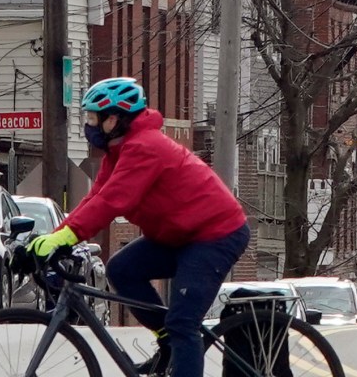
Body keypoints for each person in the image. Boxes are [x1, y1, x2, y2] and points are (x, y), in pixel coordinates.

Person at [29, 77, 248, 377]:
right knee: (121, 269)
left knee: (183, 323)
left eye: (93, 117)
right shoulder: (119, 151)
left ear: (114, 119)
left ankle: (176, 341)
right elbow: (97, 196)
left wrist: (67, 236)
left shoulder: (146, 147)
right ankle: (167, 342)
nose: (89, 125)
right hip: (178, 235)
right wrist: (56, 237)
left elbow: (113, 201)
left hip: (214, 235)